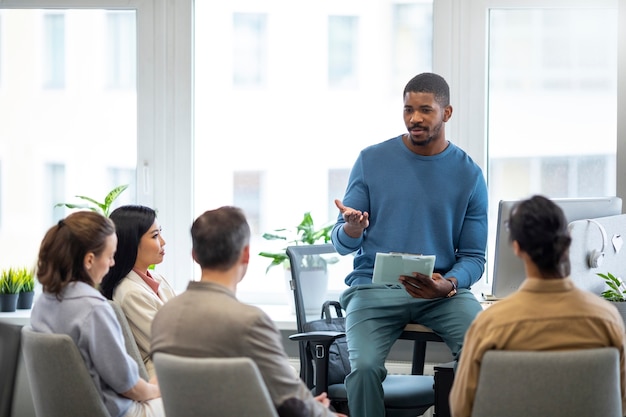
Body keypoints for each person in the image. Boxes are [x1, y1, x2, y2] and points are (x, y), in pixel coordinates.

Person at [332, 72, 488, 416]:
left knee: (485, 353)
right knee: (364, 369)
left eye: (425, 110)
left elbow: (475, 258)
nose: (414, 118)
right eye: (408, 110)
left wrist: (449, 284)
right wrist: (353, 230)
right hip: (373, 289)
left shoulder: (470, 175)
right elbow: (341, 243)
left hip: (439, 294)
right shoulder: (371, 160)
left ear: (446, 113)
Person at [150, 206, 346, 417]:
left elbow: (214, 394)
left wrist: (305, 405)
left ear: (194, 255)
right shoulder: (250, 321)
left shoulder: (164, 316)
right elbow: (292, 400)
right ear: (245, 254)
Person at [449, 195, 626, 417]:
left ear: (517, 248)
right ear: (567, 243)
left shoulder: (490, 325)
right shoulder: (606, 320)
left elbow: (462, 408)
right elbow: (621, 400)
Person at [31, 211, 164, 417]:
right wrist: (156, 389)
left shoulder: (43, 302)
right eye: (110, 256)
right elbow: (129, 386)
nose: (112, 263)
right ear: (90, 260)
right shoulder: (94, 309)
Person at [100, 205, 176, 378]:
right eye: (155, 236)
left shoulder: (157, 278)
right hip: (162, 376)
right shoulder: (130, 293)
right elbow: (170, 344)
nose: (163, 242)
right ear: (131, 242)